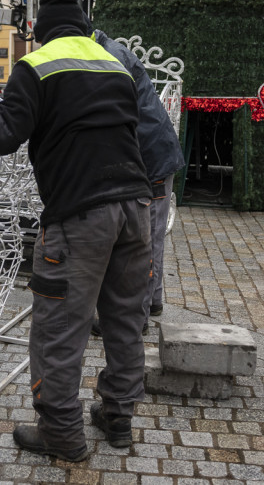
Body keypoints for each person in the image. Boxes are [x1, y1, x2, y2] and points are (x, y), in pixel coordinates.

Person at [0, 0, 151, 461]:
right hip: (135, 207)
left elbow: (2, 134)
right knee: (125, 319)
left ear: (39, 32)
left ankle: (62, 434)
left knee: (60, 325)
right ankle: (118, 415)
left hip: (81, 215)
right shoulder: (114, 65)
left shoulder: (36, 66)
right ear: (83, 28)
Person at [90, 28, 186, 334]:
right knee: (152, 234)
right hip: (153, 151)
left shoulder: (109, 57)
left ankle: (136, 317)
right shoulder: (109, 50)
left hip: (152, 157)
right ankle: (153, 299)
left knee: (145, 237)